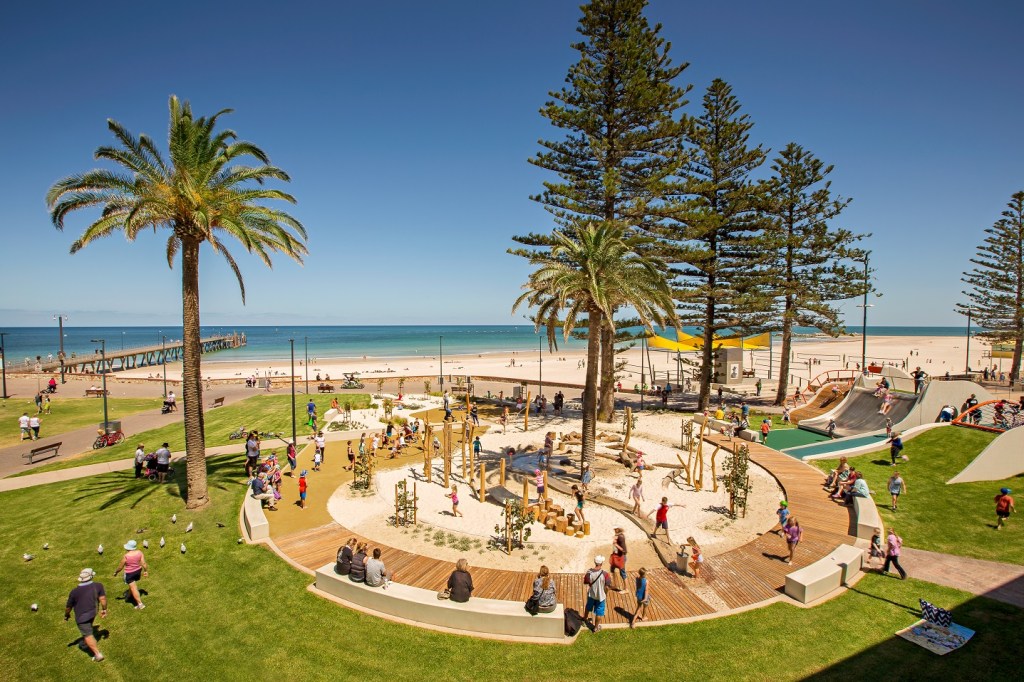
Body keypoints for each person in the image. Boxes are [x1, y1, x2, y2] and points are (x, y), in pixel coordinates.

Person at [65, 568, 108, 662]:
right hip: (93, 612)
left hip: (82, 617)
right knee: (88, 628)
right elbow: (103, 599)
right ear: (91, 576)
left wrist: (66, 615)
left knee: (87, 634)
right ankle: (85, 643)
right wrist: (104, 609)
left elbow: (68, 607)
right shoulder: (98, 586)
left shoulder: (74, 592)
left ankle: (97, 654)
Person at [113, 540, 149, 609]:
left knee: (134, 588)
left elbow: (120, 567)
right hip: (138, 571)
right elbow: (143, 563)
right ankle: (129, 595)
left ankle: (140, 604)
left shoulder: (126, 556)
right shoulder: (139, 552)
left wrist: (116, 572)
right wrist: (146, 571)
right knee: (132, 585)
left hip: (130, 574)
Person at [583, 555, 611, 632]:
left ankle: (584, 620)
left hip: (591, 594)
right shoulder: (605, 574)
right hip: (601, 596)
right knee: (599, 612)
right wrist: (606, 593)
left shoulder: (589, 573)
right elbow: (607, 586)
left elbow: (586, 582)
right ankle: (595, 628)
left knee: (588, 607)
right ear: (601, 563)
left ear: (595, 562)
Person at [609, 527, 628, 592]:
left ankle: (626, 589)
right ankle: (613, 584)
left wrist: (616, 544)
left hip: (621, 558)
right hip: (616, 557)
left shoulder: (621, 537)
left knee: (622, 573)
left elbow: (624, 551)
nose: (614, 530)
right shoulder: (618, 536)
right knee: (612, 569)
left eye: (615, 529)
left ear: (617, 530)